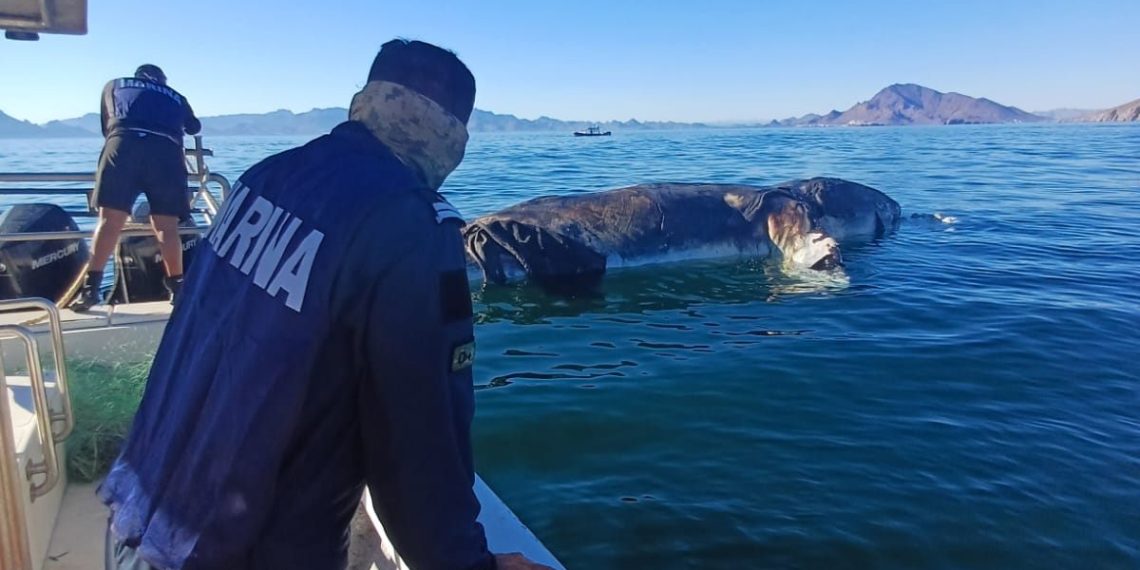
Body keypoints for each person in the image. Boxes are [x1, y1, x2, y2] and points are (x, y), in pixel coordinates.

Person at [98, 40, 554, 570]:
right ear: (451, 134)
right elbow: (419, 436)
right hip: (250, 547)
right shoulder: (410, 225)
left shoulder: (266, 177)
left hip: (150, 511)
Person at [72, 64, 200, 311]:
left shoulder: (115, 84)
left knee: (110, 221)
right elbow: (194, 127)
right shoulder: (175, 95)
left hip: (123, 144)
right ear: (162, 80)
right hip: (165, 150)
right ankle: (177, 287)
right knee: (167, 225)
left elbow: (107, 125)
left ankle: (90, 290)